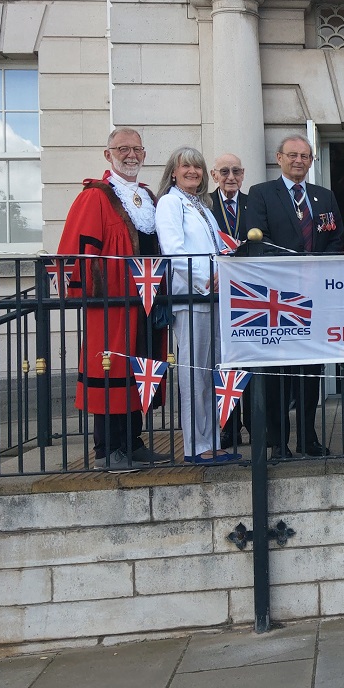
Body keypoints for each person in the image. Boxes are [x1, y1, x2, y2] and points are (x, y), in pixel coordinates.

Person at [57, 128, 171, 470]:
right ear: (109, 154)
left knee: (140, 369)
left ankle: (132, 442)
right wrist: (90, 297)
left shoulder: (148, 198)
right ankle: (107, 449)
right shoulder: (96, 196)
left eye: (137, 149)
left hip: (148, 303)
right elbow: (79, 249)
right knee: (113, 369)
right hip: (113, 305)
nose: (131, 154)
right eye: (123, 148)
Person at [246, 135, 344, 457]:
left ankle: (307, 437)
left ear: (311, 160)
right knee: (277, 374)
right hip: (279, 298)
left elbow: (335, 240)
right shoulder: (261, 194)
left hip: (315, 298)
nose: (299, 160)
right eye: (292, 155)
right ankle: (279, 442)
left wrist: (316, 268)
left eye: (305, 156)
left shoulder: (324, 197)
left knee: (310, 373)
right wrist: (293, 269)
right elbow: (257, 242)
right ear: (279, 158)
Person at [156, 147, 233, 463]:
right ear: (174, 171)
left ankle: (211, 441)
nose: (192, 171)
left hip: (213, 297)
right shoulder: (169, 203)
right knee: (193, 375)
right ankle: (195, 447)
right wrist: (206, 280)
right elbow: (174, 251)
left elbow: (218, 247)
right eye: (186, 166)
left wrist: (224, 272)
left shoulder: (202, 205)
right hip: (192, 298)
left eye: (198, 167)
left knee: (209, 372)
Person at [208, 152, 248, 448]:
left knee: (248, 362)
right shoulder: (205, 205)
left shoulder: (253, 205)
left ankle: (253, 422)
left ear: (243, 174)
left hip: (247, 295)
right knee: (223, 363)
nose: (230, 176)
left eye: (235, 171)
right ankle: (229, 426)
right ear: (214, 175)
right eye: (224, 171)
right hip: (215, 292)